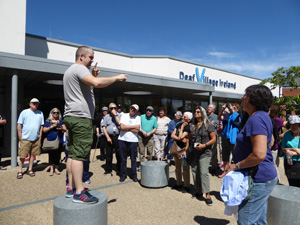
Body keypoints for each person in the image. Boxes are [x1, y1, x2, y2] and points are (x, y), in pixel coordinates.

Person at [63, 46, 127, 204]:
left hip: (71, 117)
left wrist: (92, 75)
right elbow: (97, 83)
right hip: (80, 119)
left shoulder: (72, 70)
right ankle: (79, 192)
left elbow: (88, 85)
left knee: (72, 154)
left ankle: (71, 189)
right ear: (81, 57)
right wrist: (117, 77)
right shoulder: (79, 68)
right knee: (79, 155)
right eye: (90, 57)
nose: (92, 60)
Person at [225, 84, 277, 224]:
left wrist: (236, 166)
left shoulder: (257, 118)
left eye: (246, 94)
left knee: (246, 221)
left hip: (258, 179)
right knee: (259, 221)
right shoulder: (258, 117)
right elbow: (269, 141)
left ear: (254, 98)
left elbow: (259, 155)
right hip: (262, 177)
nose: (243, 97)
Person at [185, 106, 216, 206]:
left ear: (202, 113)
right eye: (195, 112)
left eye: (198, 112)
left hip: (205, 152)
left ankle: (207, 194)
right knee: (195, 171)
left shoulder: (208, 125)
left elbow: (214, 139)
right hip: (194, 152)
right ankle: (199, 190)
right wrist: (186, 150)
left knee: (203, 172)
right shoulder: (192, 125)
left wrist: (204, 145)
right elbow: (189, 139)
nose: (196, 113)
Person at [17, 98, 44, 179]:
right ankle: (20, 171)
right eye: (33, 103)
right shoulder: (24, 112)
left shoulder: (40, 113)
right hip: (25, 138)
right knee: (22, 155)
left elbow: (41, 126)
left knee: (33, 155)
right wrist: (20, 136)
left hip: (36, 139)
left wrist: (40, 136)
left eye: (37, 103)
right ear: (30, 104)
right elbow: (19, 124)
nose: (35, 105)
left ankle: (30, 169)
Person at [118, 104, 141, 182]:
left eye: (134, 109)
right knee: (123, 159)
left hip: (133, 140)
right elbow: (121, 127)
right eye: (131, 108)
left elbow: (137, 130)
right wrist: (132, 127)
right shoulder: (124, 115)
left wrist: (126, 127)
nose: (132, 110)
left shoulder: (138, 118)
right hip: (122, 139)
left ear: (136, 111)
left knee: (133, 159)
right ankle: (123, 175)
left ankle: (134, 175)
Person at [171, 112, 192, 192]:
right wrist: (179, 138)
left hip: (184, 150)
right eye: (183, 116)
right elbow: (172, 135)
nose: (182, 117)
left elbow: (181, 136)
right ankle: (178, 183)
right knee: (177, 167)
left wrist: (182, 128)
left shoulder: (188, 127)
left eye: (185, 116)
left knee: (185, 168)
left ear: (189, 119)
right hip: (177, 149)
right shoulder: (178, 124)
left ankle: (187, 185)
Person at [43, 108, 66, 176]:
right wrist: (51, 126)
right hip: (51, 140)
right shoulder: (48, 121)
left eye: (57, 112)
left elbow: (65, 129)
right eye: (54, 112)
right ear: (51, 113)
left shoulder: (61, 121)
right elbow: (44, 130)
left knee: (58, 154)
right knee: (51, 155)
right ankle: (51, 169)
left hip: (59, 140)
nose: (56, 114)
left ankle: (56, 168)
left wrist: (61, 128)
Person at [220, 103, 241, 176]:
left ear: (238, 109)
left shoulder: (239, 116)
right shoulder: (227, 115)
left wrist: (233, 111)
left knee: (235, 154)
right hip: (225, 136)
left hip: (234, 137)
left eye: (234, 108)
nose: (232, 108)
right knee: (225, 154)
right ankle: (225, 171)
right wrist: (222, 110)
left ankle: (235, 170)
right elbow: (219, 118)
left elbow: (237, 123)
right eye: (232, 107)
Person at [101, 103, 121, 176]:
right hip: (109, 136)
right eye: (111, 108)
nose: (113, 110)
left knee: (119, 154)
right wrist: (108, 137)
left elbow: (120, 124)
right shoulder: (106, 117)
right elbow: (103, 128)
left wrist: (115, 115)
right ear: (109, 109)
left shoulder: (119, 115)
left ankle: (119, 169)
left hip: (118, 137)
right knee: (108, 154)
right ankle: (108, 169)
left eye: (115, 108)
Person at [282, 115, 300, 187]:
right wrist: (295, 150)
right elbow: (283, 149)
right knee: (292, 184)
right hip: (290, 163)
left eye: (296, 125)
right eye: (292, 125)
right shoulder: (286, 135)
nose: (294, 127)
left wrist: (295, 153)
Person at [138, 106, 157, 170]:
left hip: (150, 136)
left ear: (152, 112)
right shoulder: (141, 117)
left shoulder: (154, 118)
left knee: (150, 152)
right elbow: (139, 126)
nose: (148, 111)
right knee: (141, 152)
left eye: (150, 110)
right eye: (147, 110)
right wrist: (143, 132)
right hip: (141, 136)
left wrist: (150, 133)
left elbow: (155, 128)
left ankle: (149, 165)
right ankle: (142, 165)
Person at [207, 104, 222, 176]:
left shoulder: (215, 117)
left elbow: (214, 126)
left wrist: (209, 124)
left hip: (213, 137)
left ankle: (214, 167)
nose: (208, 108)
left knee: (213, 152)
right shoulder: (206, 116)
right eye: (208, 107)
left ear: (213, 110)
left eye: (210, 107)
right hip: (206, 137)